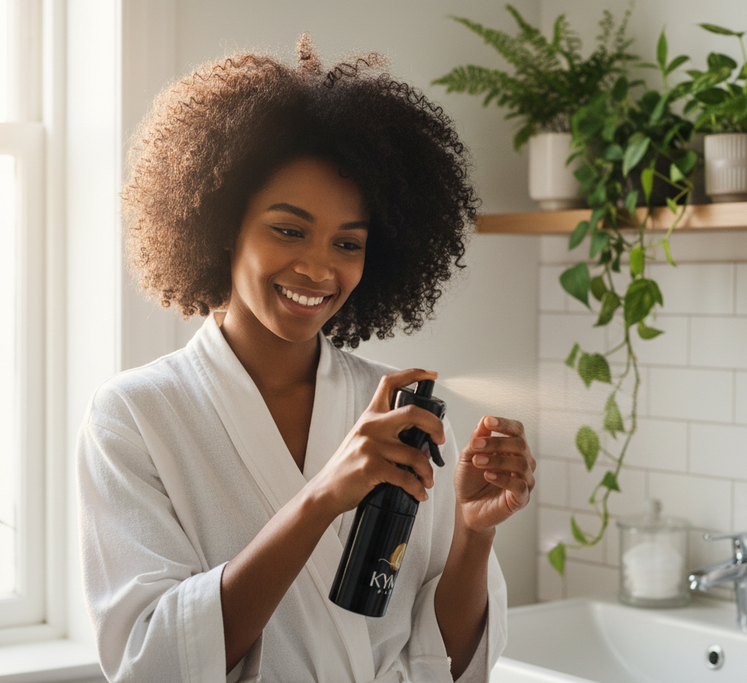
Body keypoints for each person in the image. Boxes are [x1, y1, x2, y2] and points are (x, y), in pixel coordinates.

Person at [77, 36, 535, 683]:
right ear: (220, 222)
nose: (319, 268)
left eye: (348, 242)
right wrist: (322, 495)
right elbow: (154, 661)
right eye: (288, 229)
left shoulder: (401, 414)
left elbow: (445, 664)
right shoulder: (134, 417)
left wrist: (474, 530)